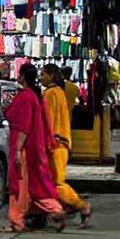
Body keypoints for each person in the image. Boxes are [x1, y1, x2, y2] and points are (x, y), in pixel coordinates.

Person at [2, 63, 67, 233]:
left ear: (22, 77)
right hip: (35, 147)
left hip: (25, 149)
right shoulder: (36, 96)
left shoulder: (26, 97)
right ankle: (53, 211)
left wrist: (17, 150)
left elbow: (23, 126)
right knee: (33, 186)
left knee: (20, 187)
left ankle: (17, 221)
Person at [41, 64, 92, 228]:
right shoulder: (62, 92)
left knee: (57, 183)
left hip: (54, 143)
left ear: (51, 76)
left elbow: (48, 121)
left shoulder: (49, 94)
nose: (40, 78)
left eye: (43, 74)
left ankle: (81, 206)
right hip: (63, 140)